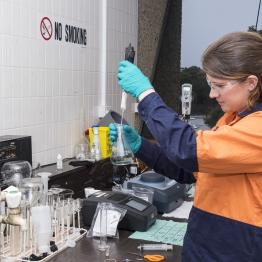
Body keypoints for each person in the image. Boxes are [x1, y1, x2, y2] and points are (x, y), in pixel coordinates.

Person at [109, 31, 262, 262]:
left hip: (234, 251)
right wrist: (140, 146)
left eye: (219, 85)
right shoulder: (232, 119)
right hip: (206, 247)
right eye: (211, 84)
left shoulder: (257, 127)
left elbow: (188, 150)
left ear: (251, 83)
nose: (212, 94)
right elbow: (189, 170)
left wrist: (146, 94)